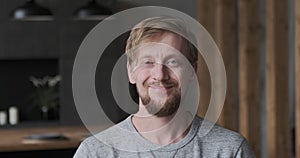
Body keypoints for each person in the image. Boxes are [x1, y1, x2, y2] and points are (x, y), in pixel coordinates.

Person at [74, 16, 255, 158]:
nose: (160, 75)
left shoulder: (229, 150)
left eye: (173, 61)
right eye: (148, 62)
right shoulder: (95, 153)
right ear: (131, 72)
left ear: (192, 71)